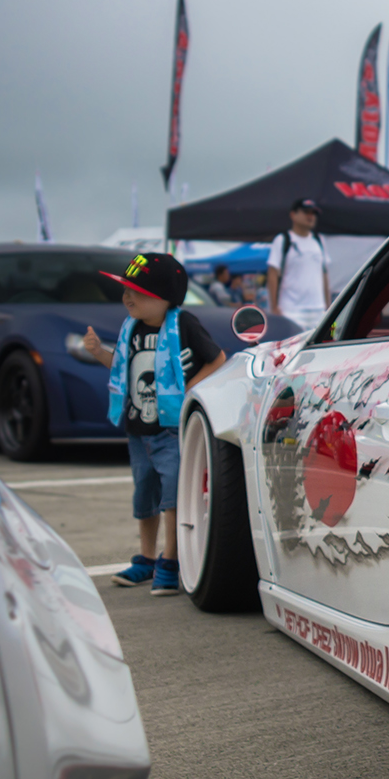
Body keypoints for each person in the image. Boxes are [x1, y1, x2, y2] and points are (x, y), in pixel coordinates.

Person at [80, 252, 226, 595]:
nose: (127, 298)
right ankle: (146, 559)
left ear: (165, 299)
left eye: (138, 293)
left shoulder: (183, 324)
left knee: (173, 498)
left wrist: (190, 390)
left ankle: (170, 561)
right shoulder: (130, 328)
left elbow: (217, 358)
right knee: (144, 497)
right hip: (137, 430)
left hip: (171, 430)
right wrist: (98, 352)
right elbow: (121, 368)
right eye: (126, 290)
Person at [265, 198, 332, 330]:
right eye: (306, 212)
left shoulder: (319, 241)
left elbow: (324, 274)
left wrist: (328, 306)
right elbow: (272, 274)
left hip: (318, 310)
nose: (311, 216)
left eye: (313, 213)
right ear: (293, 215)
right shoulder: (283, 239)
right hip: (291, 310)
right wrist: (274, 307)